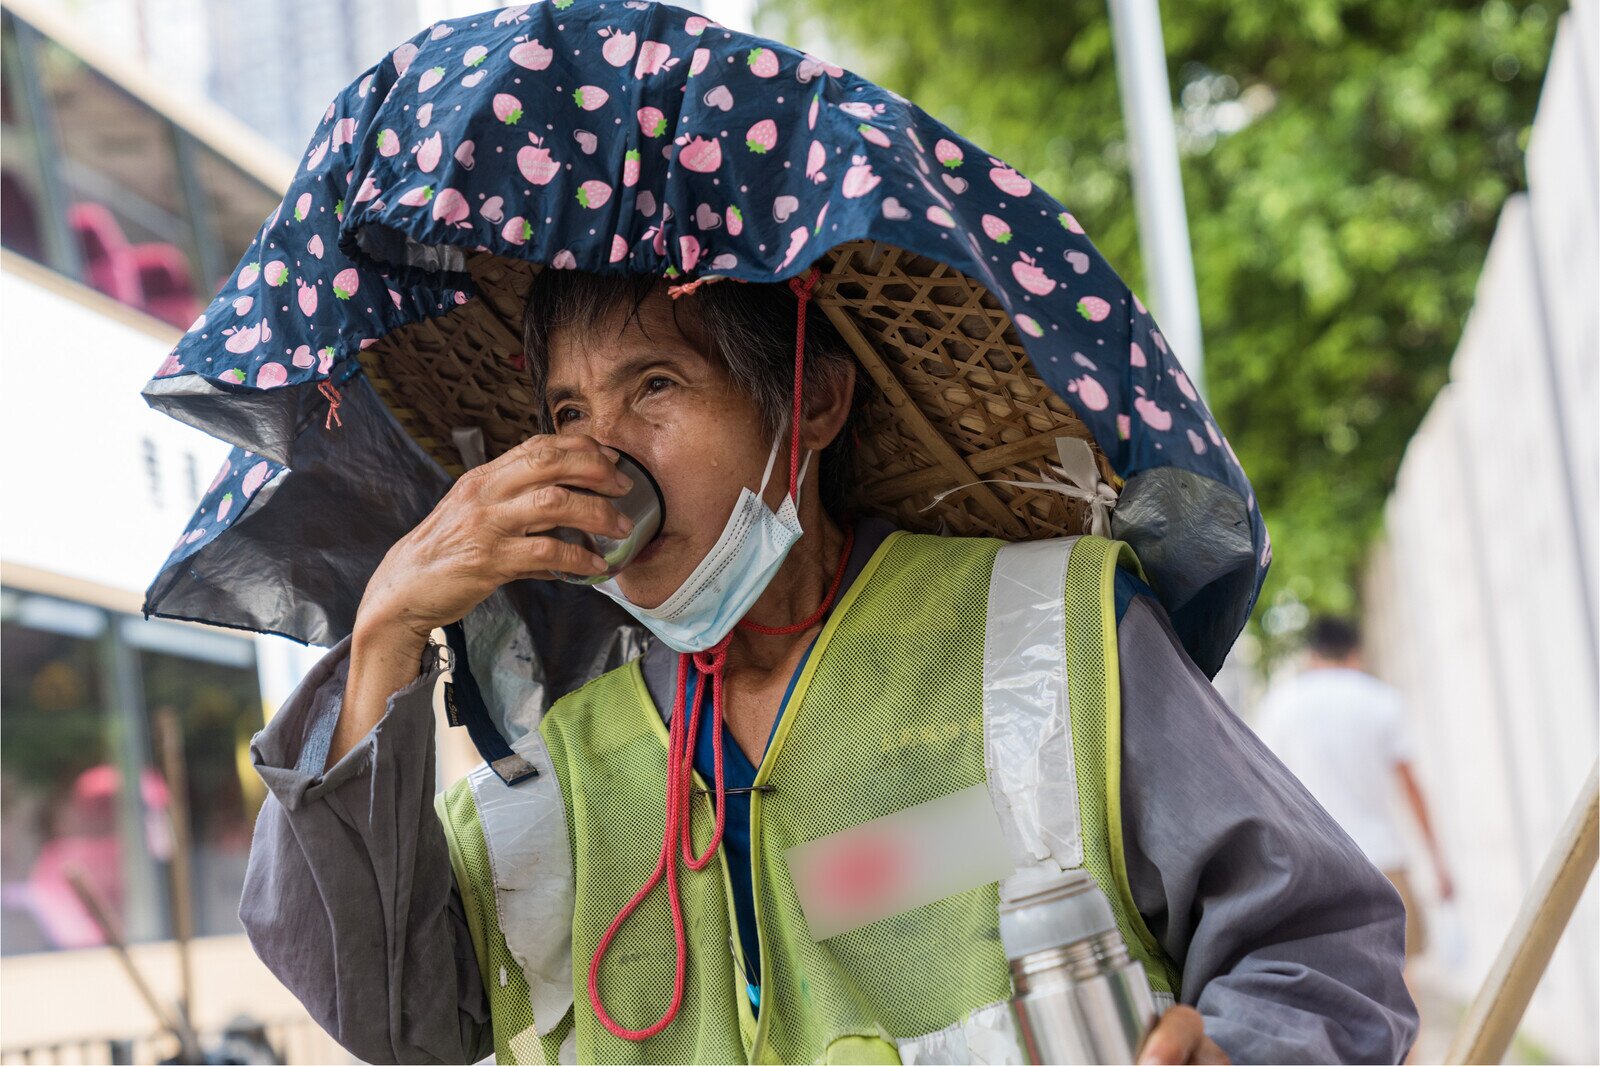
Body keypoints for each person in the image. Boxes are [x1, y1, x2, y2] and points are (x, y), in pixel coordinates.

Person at [238, 271, 1417, 1065]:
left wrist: (1243, 1049)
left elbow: (1316, 945)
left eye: (654, 386)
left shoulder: (1044, 632)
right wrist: (389, 623)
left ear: (812, 401)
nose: (598, 457)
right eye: (564, 409)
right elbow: (392, 1010)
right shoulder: (550, 777)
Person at [1255, 617, 1455, 969]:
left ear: (1311, 655)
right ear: (1356, 654)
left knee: (1331, 979)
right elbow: (1411, 786)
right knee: (1400, 976)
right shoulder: (1381, 699)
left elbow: (1263, 787)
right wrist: (1438, 863)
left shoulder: (1280, 706)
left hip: (1314, 868)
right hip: (1382, 860)